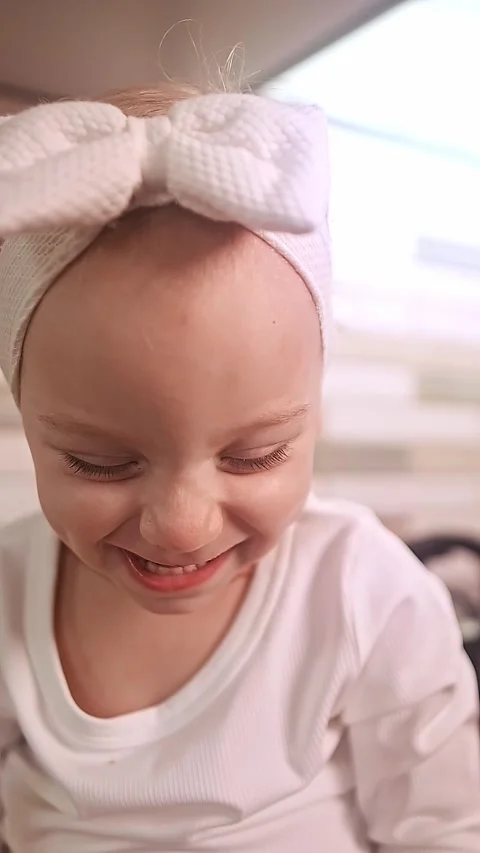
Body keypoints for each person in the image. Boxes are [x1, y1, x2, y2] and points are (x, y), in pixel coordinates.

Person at [0, 83, 478, 853]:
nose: (182, 523)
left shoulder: (362, 591)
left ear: (315, 413)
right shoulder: (10, 589)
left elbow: (446, 826)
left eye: (255, 455)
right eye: (100, 463)